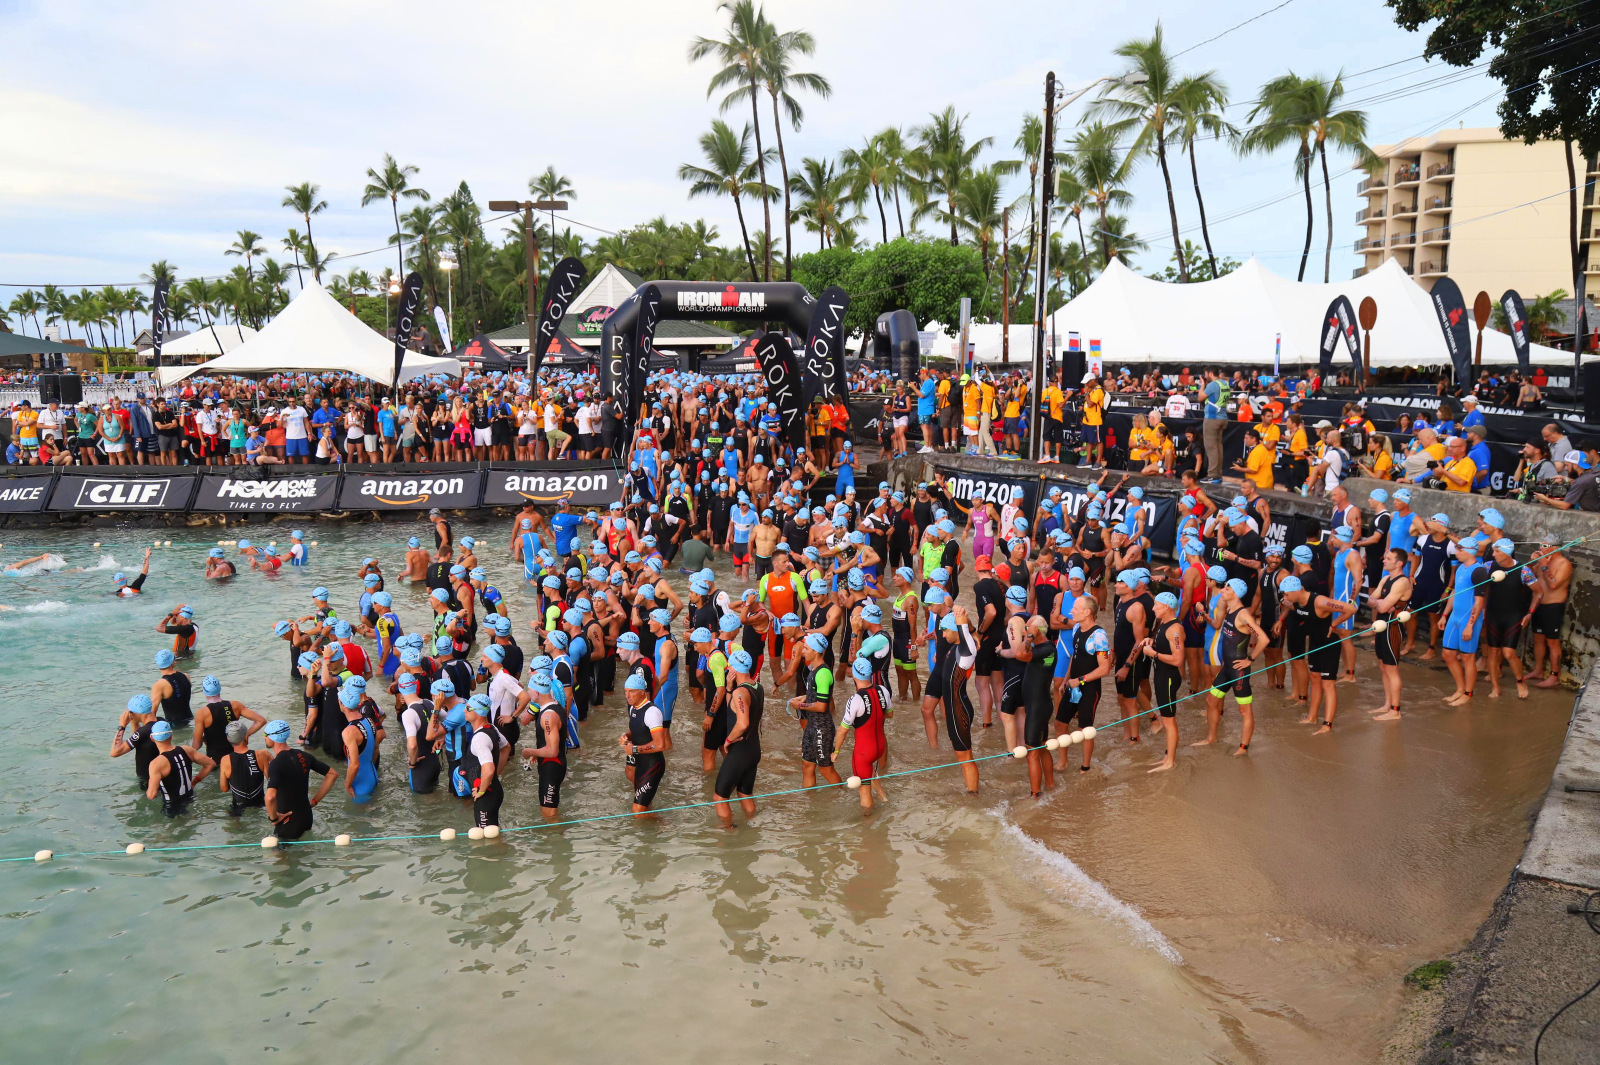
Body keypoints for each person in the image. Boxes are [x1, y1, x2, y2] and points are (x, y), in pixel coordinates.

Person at [1194, 578, 1267, 754]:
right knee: (1211, 700)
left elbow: (1263, 639)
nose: (1223, 590)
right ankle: (1211, 738)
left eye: (1226, 588)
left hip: (1239, 670)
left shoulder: (1244, 615)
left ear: (1234, 593)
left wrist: (1250, 659)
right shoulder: (1228, 608)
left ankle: (1243, 747)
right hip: (1227, 669)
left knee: (1244, 710)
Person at [1280, 575, 1358, 734]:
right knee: (1315, 679)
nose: (1285, 598)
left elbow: (1351, 609)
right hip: (1315, 644)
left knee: (1328, 684)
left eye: (1287, 594)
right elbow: (1298, 609)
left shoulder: (1320, 601)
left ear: (1299, 589)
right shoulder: (1297, 602)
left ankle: (1327, 724)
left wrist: (1335, 624)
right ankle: (1312, 717)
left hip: (1329, 644)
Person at [1053, 595, 1110, 772]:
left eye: (1075, 609)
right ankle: (1063, 762)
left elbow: (1105, 668)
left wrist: (1081, 680)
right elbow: (1075, 657)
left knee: (1085, 730)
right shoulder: (1077, 627)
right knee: (1059, 724)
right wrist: (1065, 680)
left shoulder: (1099, 635)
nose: (1071, 611)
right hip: (1073, 684)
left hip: (1090, 689)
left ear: (1087, 612)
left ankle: (1085, 767)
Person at [713, 647, 766, 823]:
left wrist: (728, 741)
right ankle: (752, 827)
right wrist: (729, 688)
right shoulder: (757, 687)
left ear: (734, 670)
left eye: (730, 668)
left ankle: (729, 834)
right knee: (744, 793)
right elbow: (733, 710)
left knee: (720, 798)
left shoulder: (740, 693)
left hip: (740, 750)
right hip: (753, 750)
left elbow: (742, 723)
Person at [1481, 537, 1537, 700]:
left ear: (1506, 553)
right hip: (1493, 614)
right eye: (1494, 550)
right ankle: (1495, 687)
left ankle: (1520, 681)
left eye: (1497, 551)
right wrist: (1484, 608)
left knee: (1508, 653)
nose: (1493, 553)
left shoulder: (1524, 570)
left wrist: (1530, 613)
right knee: (1492, 652)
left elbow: (1539, 591)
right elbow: (1483, 588)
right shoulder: (1489, 566)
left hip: (1514, 616)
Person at [264, 719, 337, 841]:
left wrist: (274, 819)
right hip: (307, 817)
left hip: (288, 821)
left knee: (281, 857)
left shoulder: (276, 764)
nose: (264, 738)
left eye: (266, 735)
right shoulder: (303, 755)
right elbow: (332, 774)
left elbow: (270, 797)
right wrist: (314, 801)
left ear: (273, 738)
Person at [1367, 549, 1413, 722]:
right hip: (1381, 626)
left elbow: (1383, 607)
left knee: (1391, 669)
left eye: (1388, 559)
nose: (1384, 561)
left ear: (1399, 563)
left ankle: (1395, 710)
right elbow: (1371, 600)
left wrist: (1380, 604)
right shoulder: (1386, 579)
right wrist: (1380, 603)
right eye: (1385, 557)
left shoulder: (1402, 582)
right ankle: (1388, 704)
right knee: (1382, 666)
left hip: (1392, 628)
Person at [619, 671, 669, 813]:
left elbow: (660, 745)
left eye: (632, 692)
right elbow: (638, 729)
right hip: (640, 761)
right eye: (625, 691)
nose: (627, 696)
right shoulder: (634, 707)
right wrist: (626, 736)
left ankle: (665, 827)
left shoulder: (652, 712)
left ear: (642, 692)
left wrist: (634, 749)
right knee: (643, 803)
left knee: (638, 812)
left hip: (652, 764)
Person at [191, 674, 264, 770]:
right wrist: (246, 734)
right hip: (236, 756)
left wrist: (202, 740)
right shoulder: (236, 705)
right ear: (219, 689)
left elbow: (196, 745)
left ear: (204, 692)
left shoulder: (202, 713)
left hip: (215, 761)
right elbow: (261, 721)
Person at [144, 719, 212, 817]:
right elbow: (210, 764)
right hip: (190, 797)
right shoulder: (186, 750)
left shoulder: (156, 764)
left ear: (152, 738)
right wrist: (194, 782)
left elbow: (151, 795)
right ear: (171, 735)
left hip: (172, 806)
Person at [1528, 535, 1571, 687]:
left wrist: (1544, 565)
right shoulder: (1542, 560)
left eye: (1545, 546)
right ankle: (1538, 670)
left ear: (1556, 547)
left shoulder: (1564, 563)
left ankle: (1554, 676)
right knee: (1538, 638)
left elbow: (1553, 585)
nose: (1541, 548)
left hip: (1553, 607)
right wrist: (1532, 562)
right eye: (1541, 545)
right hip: (1539, 604)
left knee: (1552, 641)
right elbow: (1528, 576)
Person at [461, 693, 508, 827]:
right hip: (493, 789)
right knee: (493, 834)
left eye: (469, 708)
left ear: (479, 713)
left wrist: (481, 789)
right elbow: (506, 748)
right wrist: (493, 777)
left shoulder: (479, 739)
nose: (465, 710)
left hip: (486, 795)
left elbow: (488, 769)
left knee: (487, 839)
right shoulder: (492, 728)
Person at [110, 693, 163, 789]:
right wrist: (134, 720)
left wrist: (122, 726)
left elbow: (115, 752)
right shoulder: (161, 722)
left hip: (148, 781)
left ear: (137, 713)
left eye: (131, 712)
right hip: (162, 776)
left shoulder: (143, 732)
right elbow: (138, 736)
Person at [217, 719, 268, 817]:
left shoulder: (225, 759)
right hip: (260, 803)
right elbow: (271, 779)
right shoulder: (260, 755)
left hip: (238, 805)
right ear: (246, 737)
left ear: (228, 739)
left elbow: (224, 788)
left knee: (233, 816)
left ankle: (236, 823)